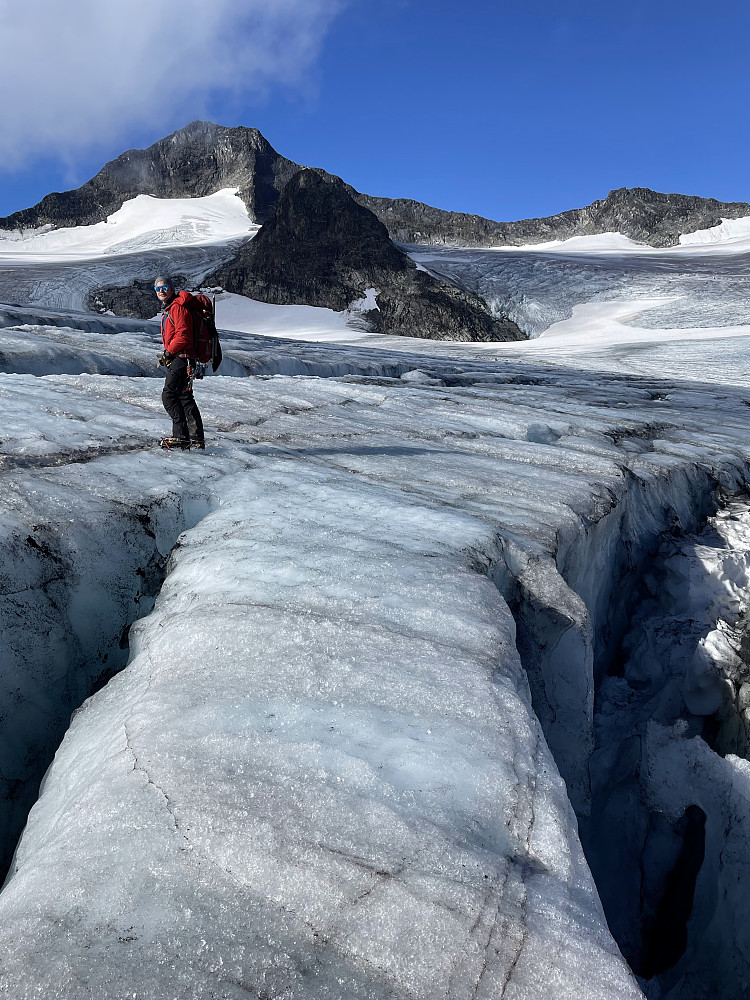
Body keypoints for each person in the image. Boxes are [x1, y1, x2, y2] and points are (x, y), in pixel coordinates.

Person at [154, 275, 205, 450]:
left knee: (169, 396)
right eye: (157, 289)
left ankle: (181, 437)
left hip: (182, 357)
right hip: (185, 358)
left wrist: (169, 352)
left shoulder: (177, 307)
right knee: (184, 397)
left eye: (164, 287)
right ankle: (196, 440)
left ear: (172, 288)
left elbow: (183, 335)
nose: (161, 291)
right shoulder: (173, 307)